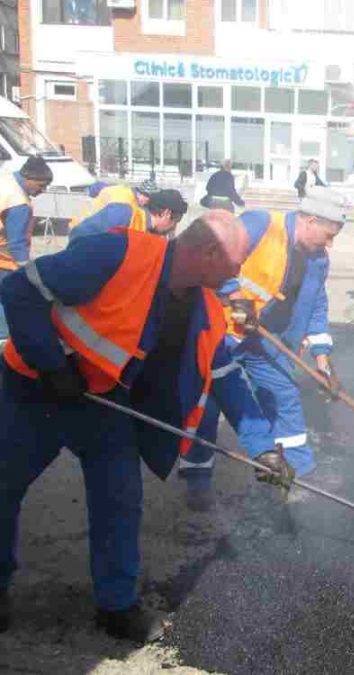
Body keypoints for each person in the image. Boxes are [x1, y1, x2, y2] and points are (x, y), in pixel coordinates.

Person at [0, 211, 290, 644]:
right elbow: (18, 288)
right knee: (3, 486)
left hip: (104, 403)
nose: (239, 272)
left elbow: (226, 377)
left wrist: (263, 448)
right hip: (33, 390)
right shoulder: (119, 253)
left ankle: (116, 606)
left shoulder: (206, 310)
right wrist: (52, 365)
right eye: (237, 261)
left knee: (120, 499)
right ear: (210, 253)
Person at [179, 186, 349, 498]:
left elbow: (317, 306)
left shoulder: (318, 260)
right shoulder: (261, 224)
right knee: (210, 403)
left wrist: (323, 361)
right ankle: (197, 477)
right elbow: (215, 252)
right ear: (310, 221)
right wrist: (234, 297)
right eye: (328, 235)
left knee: (284, 391)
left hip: (263, 340)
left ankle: (298, 474)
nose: (330, 244)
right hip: (220, 331)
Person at [0, 156, 54, 343]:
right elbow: (16, 245)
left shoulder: (5, 180)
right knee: (7, 297)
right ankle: (4, 339)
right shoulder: (18, 202)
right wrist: (29, 272)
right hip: (4, 261)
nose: (42, 190)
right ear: (29, 179)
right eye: (41, 185)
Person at [70, 188, 188, 241]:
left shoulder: (150, 234)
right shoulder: (123, 214)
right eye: (175, 222)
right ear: (166, 213)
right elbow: (78, 234)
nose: (174, 228)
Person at [71, 178, 159, 230]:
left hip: (79, 224)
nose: (145, 205)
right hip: (84, 230)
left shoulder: (123, 189)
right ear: (142, 194)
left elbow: (96, 186)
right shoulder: (125, 203)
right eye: (147, 201)